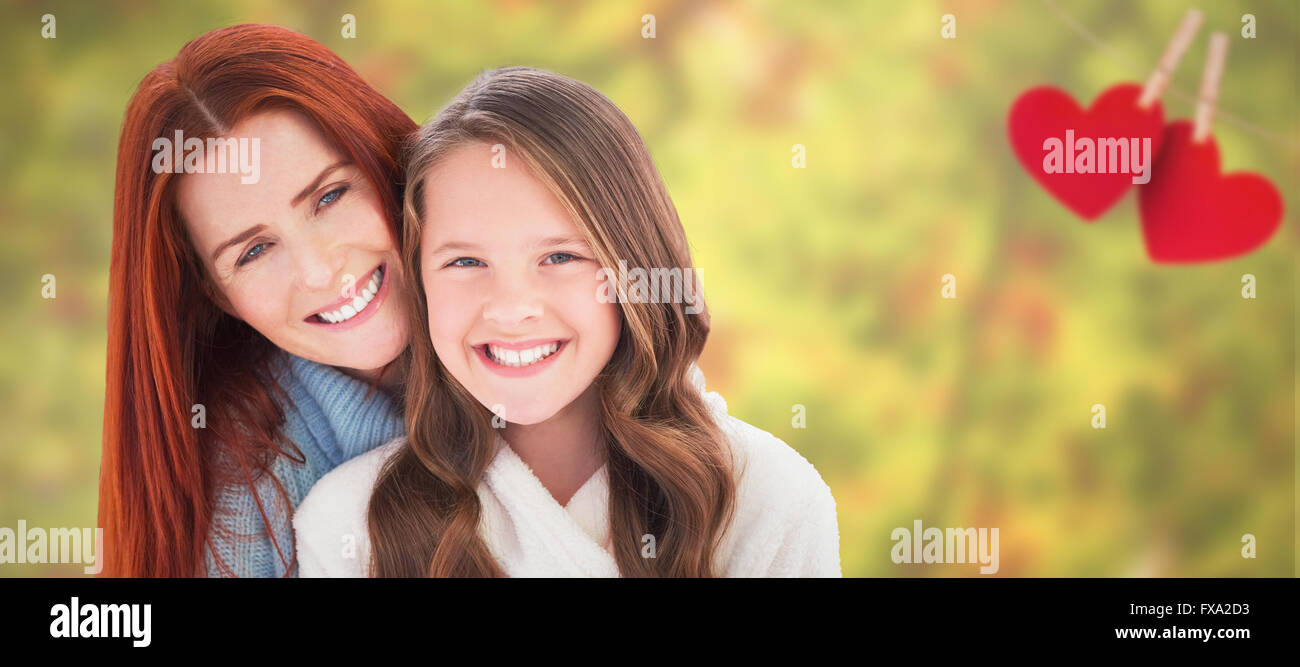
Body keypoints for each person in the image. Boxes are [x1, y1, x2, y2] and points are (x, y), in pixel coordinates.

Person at [294, 67, 841, 577]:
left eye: (559, 258)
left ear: (631, 265)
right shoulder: (349, 526)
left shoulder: (767, 497)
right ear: (418, 278)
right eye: (464, 262)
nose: (510, 308)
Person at [100, 24, 417, 577]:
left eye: (330, 195)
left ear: (384, 160)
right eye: (254, 251)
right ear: (215, 295)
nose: (321, 272)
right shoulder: (245, 499)